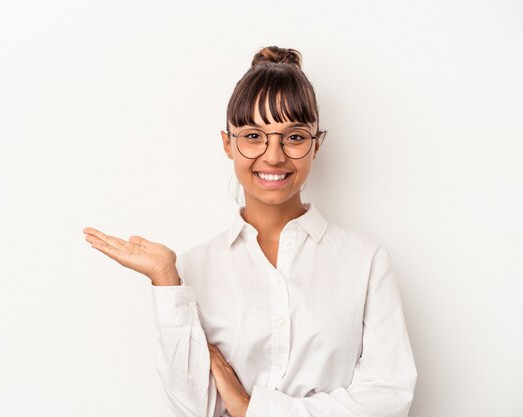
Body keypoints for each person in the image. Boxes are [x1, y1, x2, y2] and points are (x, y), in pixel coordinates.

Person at [83, 45, 417, 417]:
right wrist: (166, 281)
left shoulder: (365, 261)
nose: (273, 156)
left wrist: (251, 409)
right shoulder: (195, 269)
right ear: (228, 144)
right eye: (254, 136)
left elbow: (388, 398)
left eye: (293, 137)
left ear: (316, 145)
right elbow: (194, 407)